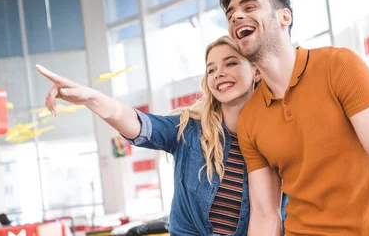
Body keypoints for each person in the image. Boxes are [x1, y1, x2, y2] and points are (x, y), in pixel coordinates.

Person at [220, 0, 369, 236]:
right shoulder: (250, 117)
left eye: (249, 7)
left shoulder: (338, 66)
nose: (236, 17)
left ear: (284, 16)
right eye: (230, 15)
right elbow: (265, 215)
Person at [37, 36, 261, 236]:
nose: (219, 73)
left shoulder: (273, 137)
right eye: (211, 69)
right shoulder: (189, 130)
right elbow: (137, 123)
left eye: (230, 63)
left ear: (256, 71)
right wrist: (90, 98)